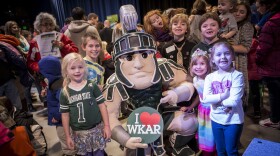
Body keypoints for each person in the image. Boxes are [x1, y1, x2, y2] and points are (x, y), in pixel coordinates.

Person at [104, 5, 197, 156]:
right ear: (119, 60)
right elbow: (109, 115)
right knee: (138, 150)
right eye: (129, 57)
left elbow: (187, 81)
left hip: (163, 113)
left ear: (152, 54)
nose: (138, 64)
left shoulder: (163, 66)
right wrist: (124, 138)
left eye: (144, 55)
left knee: (190, 122)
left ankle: (175, 144)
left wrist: (177, 93)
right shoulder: (115, 82)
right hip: (138, 124)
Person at [60, 53, 111, 156]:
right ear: (66, 71)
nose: (77, 71)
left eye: (80, 67)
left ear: (85, 68)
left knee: (99, 153)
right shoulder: (65, 92)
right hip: (79, 134)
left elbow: (102, 106)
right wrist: (68, 136)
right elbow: (65, 115)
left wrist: (107, 126)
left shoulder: (92, 86)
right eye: (73, 68)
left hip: (96, 130)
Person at [27, 12, 78, 108]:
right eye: (45, 25)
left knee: (67, 97)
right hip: (46, 77)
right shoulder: (34, 42)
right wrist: (40, 67)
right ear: (39, 26)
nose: (48, 27)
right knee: (53, 100)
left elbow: (75, 51)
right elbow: (30, 61)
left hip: (64, 73)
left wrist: (63, 46)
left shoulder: (61, 37)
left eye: (50, 24)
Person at [203, 41, 244, 156]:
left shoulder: (237, 75)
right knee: (220, 151)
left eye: (226, 53)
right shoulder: (210, 77)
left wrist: (215, 99)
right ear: (212, 59)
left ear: (232, 56)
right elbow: (205, 99)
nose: (223, 57)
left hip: (233, 120)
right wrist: (223, 96)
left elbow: (234, 101)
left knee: (231, 151)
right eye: (218, 54)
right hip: (216, 119)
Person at [38, 56, 76, 155]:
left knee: (64, 136)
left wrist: (57, 116)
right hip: (61, 118)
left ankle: (70, 153)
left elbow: (63, 103)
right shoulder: (56, 81)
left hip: (61, 120)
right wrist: (47, 91)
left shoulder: (57, 85)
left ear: (48, 71)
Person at [183, 49, 216, 156]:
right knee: (204, 133)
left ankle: (215, 152)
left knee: (213, 134)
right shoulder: (195, 80)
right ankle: (207, 152)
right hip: (202, 110)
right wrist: (191, 106)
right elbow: (199, 96)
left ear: (208, 65)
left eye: (202, 63)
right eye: (195, 64)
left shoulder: (211, 79)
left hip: (212, 110)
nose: (198, 67)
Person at [256, 1, 280, 129]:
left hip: (272, 66)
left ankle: (275, 119)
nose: (258, 9)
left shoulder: (271, 23)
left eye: (259, 6)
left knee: (274, 94)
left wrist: (258, 59)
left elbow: (263, 47)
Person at [232, 1, 254, 112]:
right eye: (236, 11)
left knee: (237, 91)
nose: (238, 14)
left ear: (246, 14)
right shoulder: (226, 23)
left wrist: (226, 46)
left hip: (238, 61)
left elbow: (246, 48)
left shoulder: (247, 26)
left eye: (242, 12)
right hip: (223, 61)